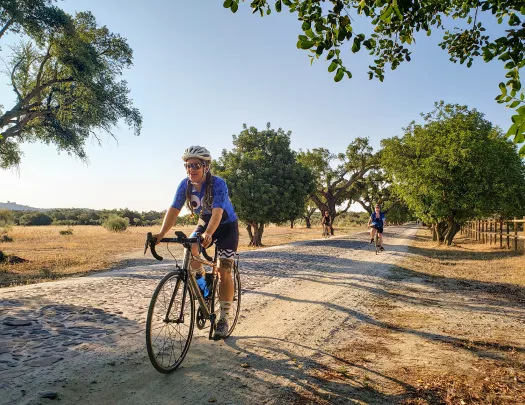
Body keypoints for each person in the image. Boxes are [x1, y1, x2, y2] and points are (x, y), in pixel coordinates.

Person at [153, 145, 239, 340]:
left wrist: (209, 234)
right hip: (205, 222)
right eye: (187, 165)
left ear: (205, 167)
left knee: (224, 270)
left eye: (195, 165)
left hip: (226, 226)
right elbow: (174, 210)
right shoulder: (185, 185)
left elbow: (217, 212)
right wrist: (160, 234)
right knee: (191, 248)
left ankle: (224, 319)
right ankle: (205, 289)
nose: (190, 169)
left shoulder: (218, 184)